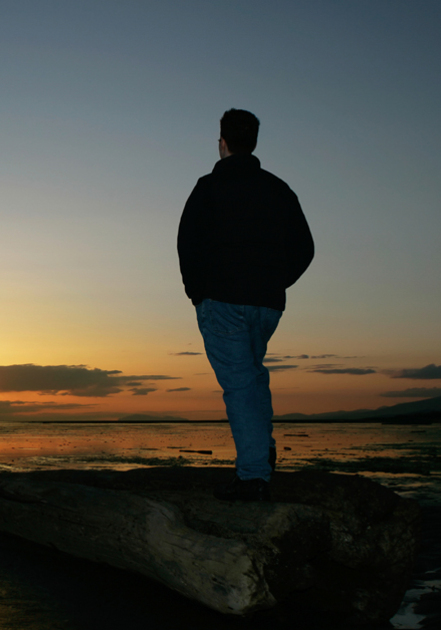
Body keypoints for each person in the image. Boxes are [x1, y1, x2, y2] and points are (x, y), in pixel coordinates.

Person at [177, 109, 314, 502]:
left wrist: (197, 292)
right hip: (266, 304)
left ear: (222, 143)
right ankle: (263, 451)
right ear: (253, 143)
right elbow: (305, 249)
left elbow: (187, 245)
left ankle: (254, 475)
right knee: (251, 377)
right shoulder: (279, 189)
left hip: (223, 301)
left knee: (241, 385)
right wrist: (274, 281)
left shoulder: (208, 187)